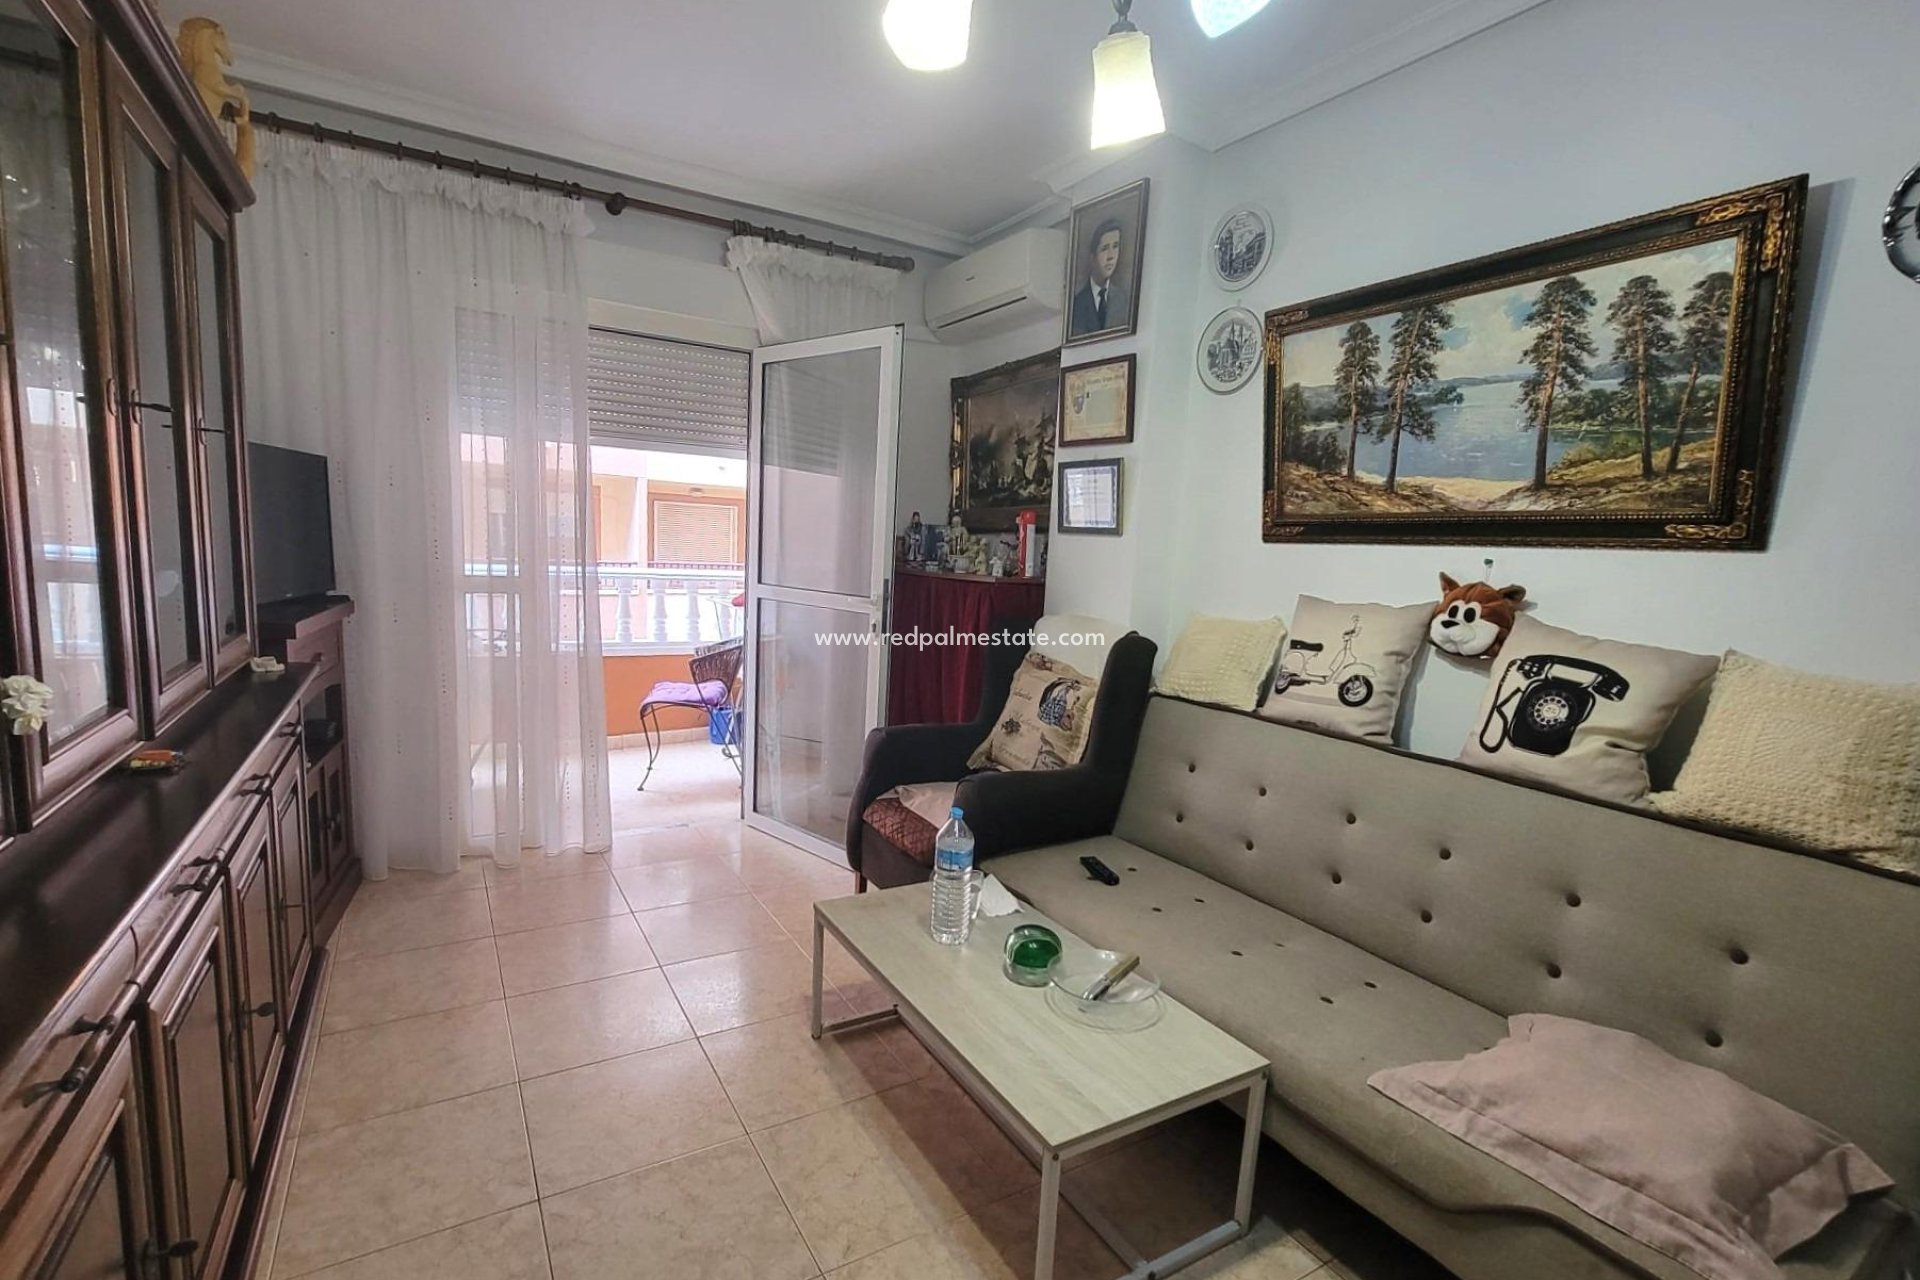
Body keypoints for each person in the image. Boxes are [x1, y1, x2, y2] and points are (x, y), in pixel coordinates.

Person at [1068, 217, 1129, 337]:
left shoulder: (1122, 299)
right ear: (1092, 257)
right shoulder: (1077, 303)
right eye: (1104, 248)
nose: (1111, 256)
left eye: (1115, 246)